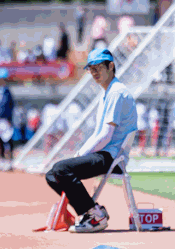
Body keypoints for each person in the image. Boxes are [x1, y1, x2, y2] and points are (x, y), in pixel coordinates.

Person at [45, 48, 138, 233]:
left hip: (112, 157)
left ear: (111, 66)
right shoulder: (107, 92)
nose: (94, 72)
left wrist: (81, 154)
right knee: (52, 175)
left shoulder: (116, 92)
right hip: (105, 153)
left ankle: (96, 216)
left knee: (62, 169)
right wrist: (80, 154)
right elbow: (100, 134)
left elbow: (105, 135)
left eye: (98, 68)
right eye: (91, 69)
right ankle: (92, 211)